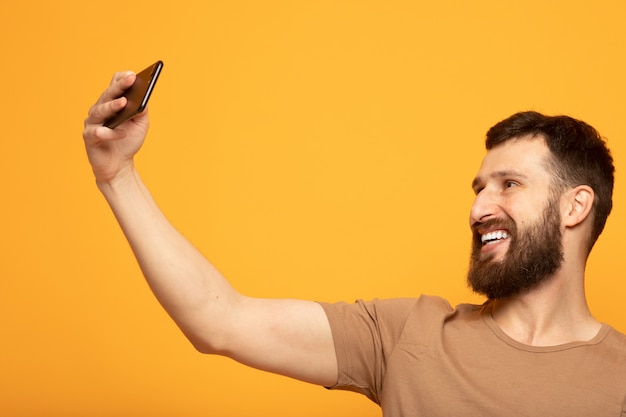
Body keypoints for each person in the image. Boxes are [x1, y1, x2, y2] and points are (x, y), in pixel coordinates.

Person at [83, 71, 626, 416]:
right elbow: (219, 320)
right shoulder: (407, 336)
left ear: (574, 206)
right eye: (479, 188)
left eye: (509, 184)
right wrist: (118, 177)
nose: (479, 208)